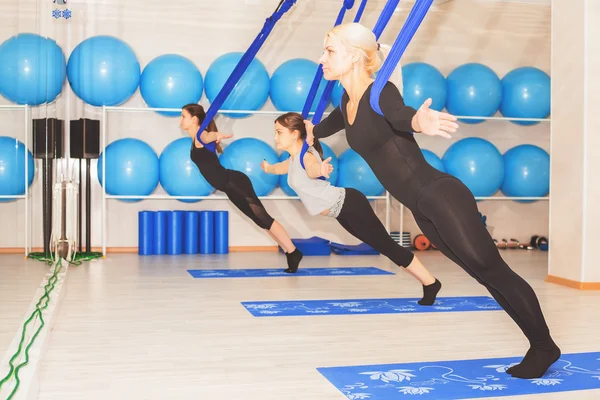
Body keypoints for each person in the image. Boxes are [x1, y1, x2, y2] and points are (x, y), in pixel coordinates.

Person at [304, 22, 560, 379]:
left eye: (329, 51)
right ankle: (540, 346)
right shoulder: (348, 101)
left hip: (439, 195)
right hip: (421, 207)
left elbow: (399, 114)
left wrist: (419, 121)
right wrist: (307, 132)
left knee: (494, 270)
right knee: (483, 275)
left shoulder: (381, 93)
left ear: (355, 57)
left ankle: (544, 346)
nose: (321, 58)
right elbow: (327, 126)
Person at [261, 112, 442, 305]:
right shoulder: (294, 159)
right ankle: (429, 282)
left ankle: (430, 283)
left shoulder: (306, 157)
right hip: (342, 211)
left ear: (295, 134)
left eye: (279, 132)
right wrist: (268, 168)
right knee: (385, 246)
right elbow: (281, 167)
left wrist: (320, 171)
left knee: (388, 247)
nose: (275, 137)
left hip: (350, 205)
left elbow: (312, 169)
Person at [180, 104, 303, 273]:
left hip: (235, 182)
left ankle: (293, 251)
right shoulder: (195, 139)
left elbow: (208, 136)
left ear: (194, 119)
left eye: (183, 116)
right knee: (260, 221)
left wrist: (218, 135)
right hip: (230, 187)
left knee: (264, 218)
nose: (181, 120)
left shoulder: (201, 134)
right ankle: (290, 252)